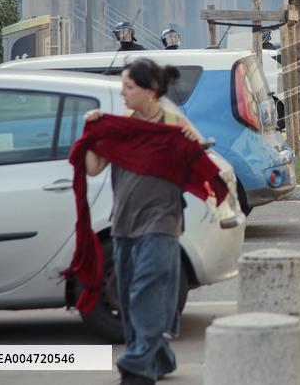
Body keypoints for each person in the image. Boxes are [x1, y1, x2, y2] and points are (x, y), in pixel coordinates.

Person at [82, 59, 204, 385]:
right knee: (127, 295)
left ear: (150, 92)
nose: (121, 92)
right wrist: (90, 134)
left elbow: (201, 162)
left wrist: (193, 140)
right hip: (123, 222)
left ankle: (137, 365)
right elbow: (93, 168)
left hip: (162, 222)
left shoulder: (174, 124)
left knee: (144, 292)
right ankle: (160, 358)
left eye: (128, 87)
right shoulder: (122, 127)